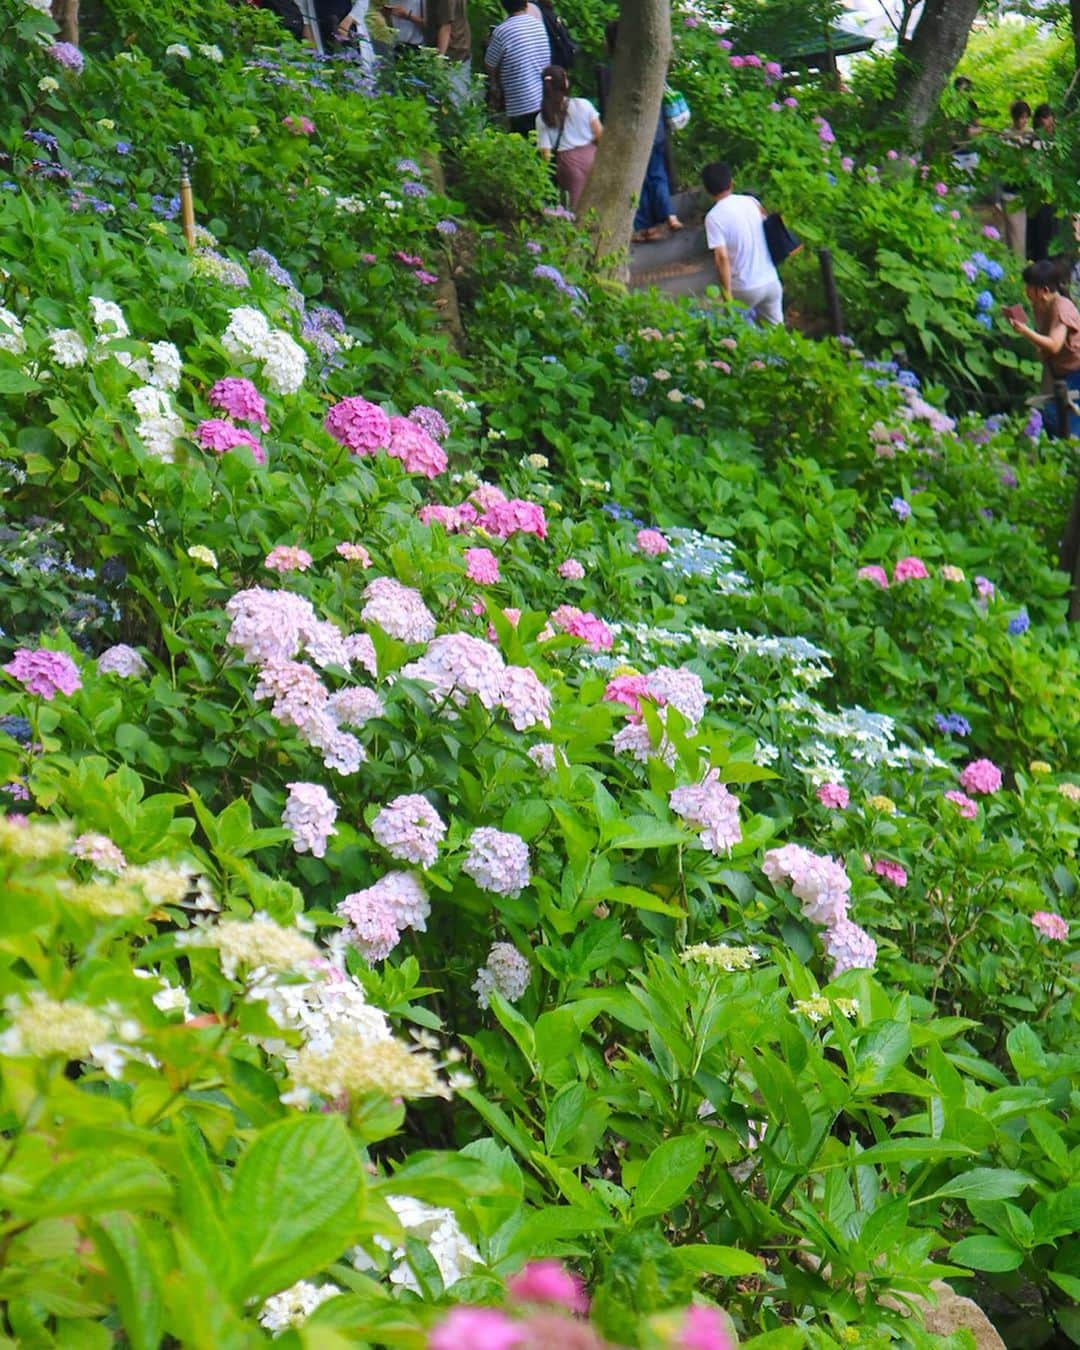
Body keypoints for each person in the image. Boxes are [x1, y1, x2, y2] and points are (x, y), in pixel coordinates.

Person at [702, 161, 782, 326]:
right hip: (771, 280)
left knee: (732, 330)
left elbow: (722, 258)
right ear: (732, 182)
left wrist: (727, 295)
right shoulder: (752, 202)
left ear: (707, 190)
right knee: (777, 336)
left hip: (744, 287)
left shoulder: (713, 217)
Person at [1006, 258, 1080, 436]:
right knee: (1053, 417)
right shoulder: (1040, 306)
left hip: (1075, 371)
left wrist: (1025, 331)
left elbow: (1054, 344)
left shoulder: (1063, 308)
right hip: (1057, 370)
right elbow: (1046, 342)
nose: (1026, 291)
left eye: (1030, 287)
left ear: (1044, 291)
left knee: (1060, 419)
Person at [535, 64, 600, 209]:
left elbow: (545, 154)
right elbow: (599, 134)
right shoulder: (582, 104)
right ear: (565, 83)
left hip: (567, 164)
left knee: (576, 207)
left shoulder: (543, 117)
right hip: (592, 156)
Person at [484, 0, 551, 135]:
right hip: (543, 97)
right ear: (526, 3)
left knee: (522, 139)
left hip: (520, 102)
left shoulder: (502, 31)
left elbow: (489, 64)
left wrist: (489, 45)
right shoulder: (538, 25)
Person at [997, 98, 1034, 259]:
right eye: (1021, 117)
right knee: (1010, 230)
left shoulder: (1031, 135)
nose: (1023, 121)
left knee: (1022, 232)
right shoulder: (1005, 135)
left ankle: (1020, 264)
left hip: (1026, 191)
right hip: (1009, 188)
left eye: (1026, 117)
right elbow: (1001, 161)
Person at [424, 0, 472, 104]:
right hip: (458, 49)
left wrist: (439, 59)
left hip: (453, 53)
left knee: (455, 101)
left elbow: (446, 27)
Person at [1028, 104, 1057, 262]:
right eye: (1046, 121)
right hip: (1038, 195)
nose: (1049, 126)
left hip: (1055, 195)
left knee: (1054, 231)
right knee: (1039, 232)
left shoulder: (1058, 142)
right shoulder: (1032, 141)